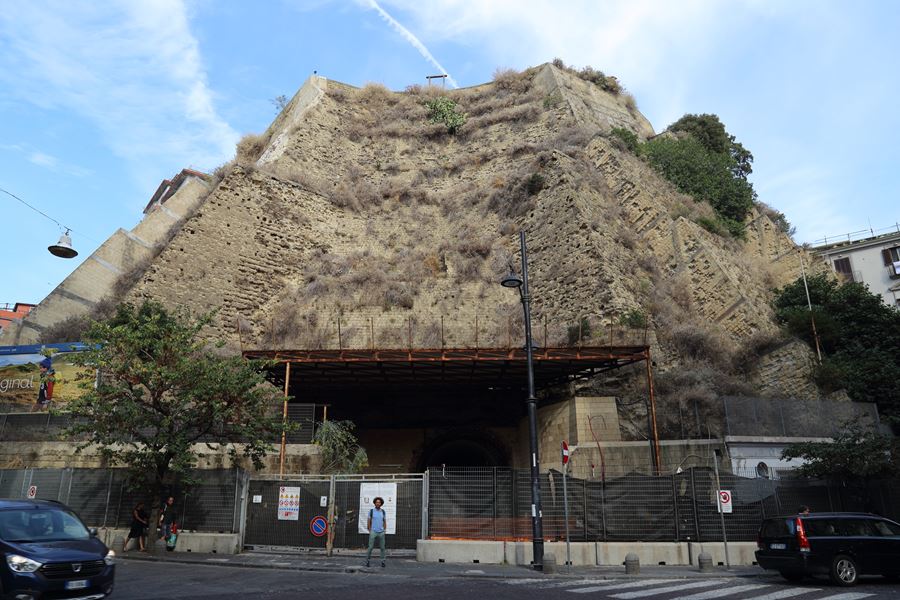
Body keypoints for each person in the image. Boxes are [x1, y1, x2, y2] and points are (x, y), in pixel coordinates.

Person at [365, 496, 387, 568]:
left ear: (381, 504)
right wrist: (369, 529)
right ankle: (367, 560)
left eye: (379, 502)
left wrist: (384, 529)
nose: (378, 503)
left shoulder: (383, 512)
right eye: (377, 502)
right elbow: (369, 520)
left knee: (382, 548)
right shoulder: (371, 511)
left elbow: (384, 521)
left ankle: (383, 561)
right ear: (374, 503)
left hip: (381, 532)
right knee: (370, 547)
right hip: (373, 531)